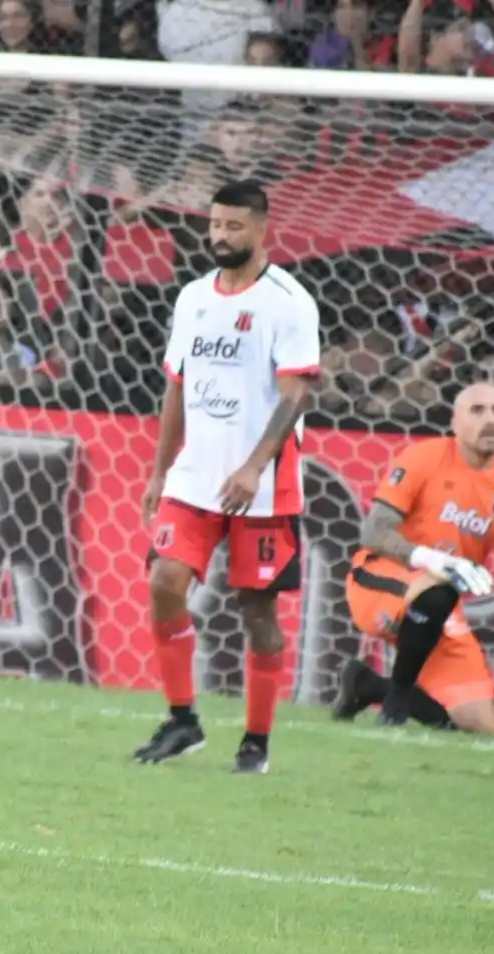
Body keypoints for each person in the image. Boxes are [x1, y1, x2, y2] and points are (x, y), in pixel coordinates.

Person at [133, 180, 320, 774]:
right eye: (215, 224)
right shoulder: (193, 297)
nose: (220, 235)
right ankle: (182, 720)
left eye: (234, 226)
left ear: (262, 228)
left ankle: (256, 742)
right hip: (194, 478)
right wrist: (160, 472)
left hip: (262, 487)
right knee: (165, 581)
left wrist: (254, 465)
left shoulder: (289, 302)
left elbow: (296, 395)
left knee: (256, 612)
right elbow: (176, 387)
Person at [333, 382, 494, 733]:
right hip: (378, 582)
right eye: (477, 411)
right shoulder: (424, 458)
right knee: (436, 592)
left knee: (482, 723)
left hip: (438, 608)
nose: (490, 420)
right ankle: (396, 703)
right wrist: (430, 559)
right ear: (454, 422)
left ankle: (367, 686)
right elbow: (374, 532)